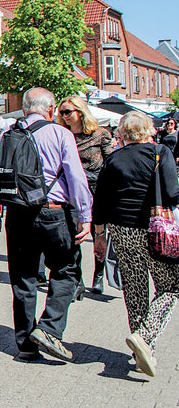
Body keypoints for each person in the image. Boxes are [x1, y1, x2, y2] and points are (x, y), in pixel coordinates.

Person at [0, 87, 92, 362]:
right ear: (52, 108)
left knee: (23, 278)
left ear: (24, 109)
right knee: (66, 271)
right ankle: (50, 329)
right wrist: (85, 215)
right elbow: (76, 177)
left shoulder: (7, 136)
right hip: (53, 212)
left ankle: (26, 347)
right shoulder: (61, 134)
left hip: (17, 213)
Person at [92, 111, 179, 377]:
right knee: (171, 286)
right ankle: (146, 336)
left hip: (121, 229)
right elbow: (172, 193)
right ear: (149, 130)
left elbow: (101, 201)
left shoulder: (114, 158)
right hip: (154, 229)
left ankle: (142, 348)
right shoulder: (159, 152)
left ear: (122, 133)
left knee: (134, 288)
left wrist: (99, 235)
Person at [56, 95, 114, 295]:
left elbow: (110, 164)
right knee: (74, 235)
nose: (64, 116)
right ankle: (77, 279)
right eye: (62, 113)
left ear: (80, 112)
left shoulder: (100, 134)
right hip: (73, 191)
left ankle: (99, 275)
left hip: (97, 189)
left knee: (98, 233)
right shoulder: (63, 135)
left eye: (68, 112)